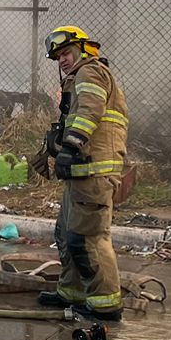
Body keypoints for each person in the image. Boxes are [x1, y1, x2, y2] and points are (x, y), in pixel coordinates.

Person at [34, 25, 128, 321]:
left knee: (86, 237)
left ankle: (105, 304)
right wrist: (55, 145)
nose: (62, 60)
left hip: (94, 172)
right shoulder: (78, 78)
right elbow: (78, 117)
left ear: (84, 48)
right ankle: (71, 292)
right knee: (65, 232)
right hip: (82, 171)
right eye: (58, 56)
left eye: (66, 52)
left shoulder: (91, 72)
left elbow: (90, 112)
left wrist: (71, 146)